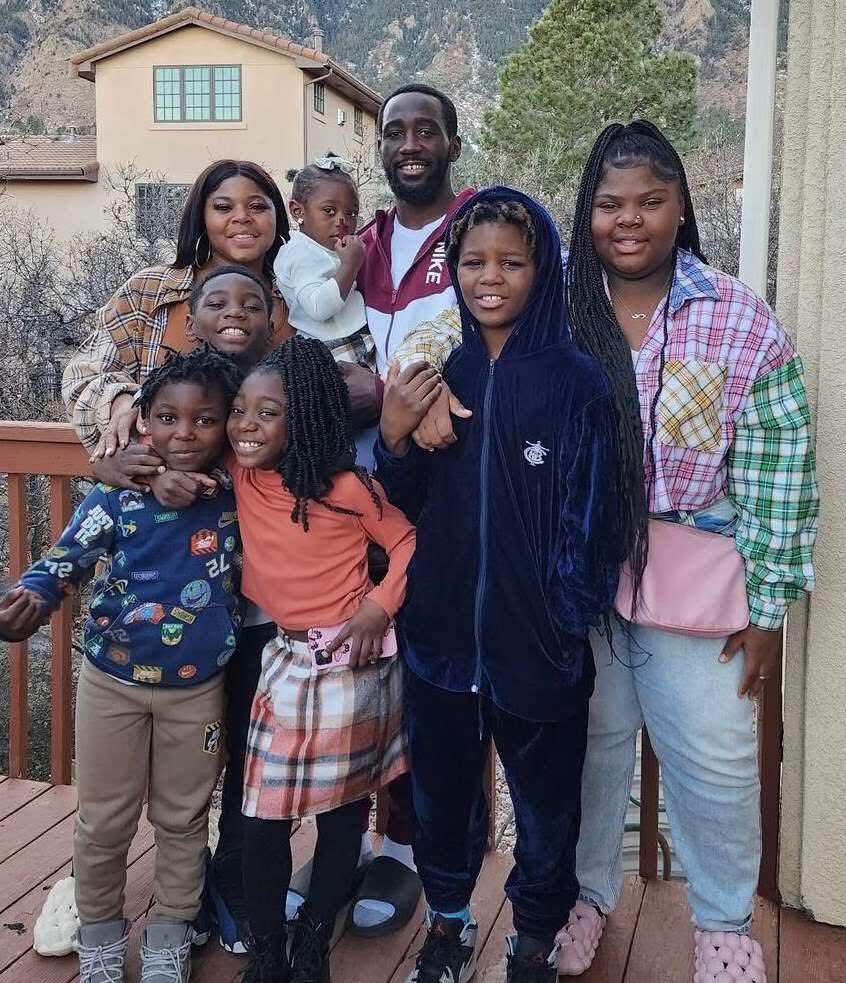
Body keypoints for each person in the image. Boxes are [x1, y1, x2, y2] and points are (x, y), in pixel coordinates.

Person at [391, 121, 820, 983]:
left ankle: (724, 924)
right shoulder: (553, 299)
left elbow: (780, 466)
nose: (630, 220)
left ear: (681, 207)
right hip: (562, 577)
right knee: (586, 753)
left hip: (691, 575)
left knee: (713, 754)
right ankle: (580, 900)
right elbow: (451, 341)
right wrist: (420, 397)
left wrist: (770, 606)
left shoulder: (735, 315)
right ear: (586, 210)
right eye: (610, 203)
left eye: (651, 201)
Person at [65, 162, 382, 954]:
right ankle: (106, 889)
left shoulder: (296, 305)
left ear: (282, 217)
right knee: (154, 764)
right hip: (174, 586)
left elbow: (350, 384)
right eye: (222, 204)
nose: (241, 217)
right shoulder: (155, 293)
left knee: (243, 744)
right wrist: (122, 433)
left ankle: (229, 885)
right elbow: (86, 373)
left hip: (270, 585)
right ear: (198, 214)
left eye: (258, 205)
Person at [375, 187, 626, 983]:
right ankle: (448, 922)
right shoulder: (437, 374)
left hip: (538, 650)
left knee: (547, 809)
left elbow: (600, 517)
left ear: (542, 269)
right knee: (442, 799)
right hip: (440, 643)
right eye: (474, 262)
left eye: (511, 263)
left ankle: (534, 937)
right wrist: (394, 438)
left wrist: (564, 617)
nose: (490, 278)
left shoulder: (577, 381)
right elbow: (402, 498)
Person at [0, 347, 244, 983]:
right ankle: (101, 934)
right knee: (103, 819)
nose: (184, 433)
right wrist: (33, 596)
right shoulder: (117, 496)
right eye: (167, 418)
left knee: (184, 818)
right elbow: (67, 557)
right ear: (142, 422)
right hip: (111, 684)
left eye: (204, 420)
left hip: (198, 691)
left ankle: (171, 932)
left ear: (227, 425)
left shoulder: (238, 496)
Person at [313, 81, 474, 938]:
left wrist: (415, 399)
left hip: (448, 494)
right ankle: (343, 845)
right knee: (350, 665)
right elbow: (314, 352)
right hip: (358, 495)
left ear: (452, 142)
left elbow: (506, 334)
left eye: (426, 130)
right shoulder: (360, 243)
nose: (409, 143)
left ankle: (410, 852)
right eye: (395, 132)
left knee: (429, 676)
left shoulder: (481, 228)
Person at [226, 337, 415, 983]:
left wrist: (379, 605)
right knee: (261, 818)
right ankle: (267, 951)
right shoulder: (243, 473)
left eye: (268, 412)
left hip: (351, 666)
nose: (247, 425)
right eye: (240, 410)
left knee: (340, 815)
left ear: (303, 418)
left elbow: (407, 541)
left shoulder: (346, 487)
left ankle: (312, 941)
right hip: (284, 660)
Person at [275, 156, 375, 371]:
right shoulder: (300, 252)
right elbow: (319, 308)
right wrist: (350, 266)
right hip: (332, 350)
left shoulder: (326, 248)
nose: (342, 221)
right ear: (298, 211)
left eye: (351, 213)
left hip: (352, 340)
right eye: (329, 211)